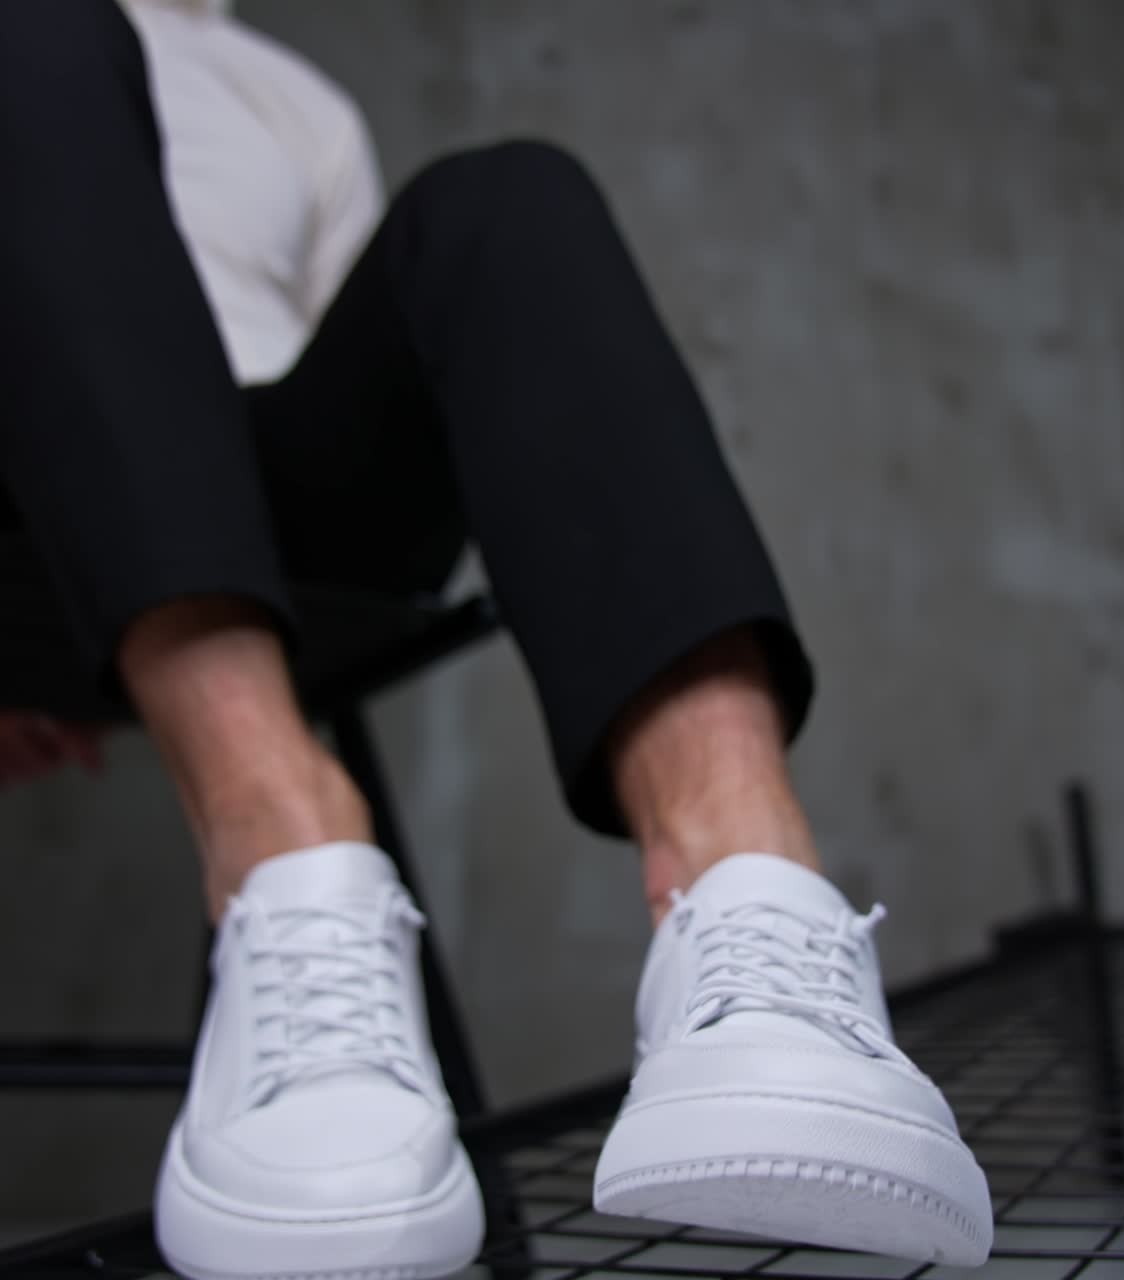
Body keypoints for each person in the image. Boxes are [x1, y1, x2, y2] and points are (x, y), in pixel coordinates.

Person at [0, 2, 993, 1276]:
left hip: (266, 510)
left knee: (503, 202)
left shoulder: (283, 95)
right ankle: (281, 854)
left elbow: (360, 350)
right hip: (29, 503)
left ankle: (743, 906)